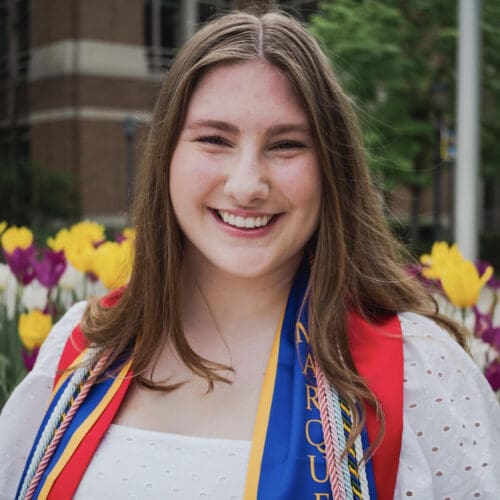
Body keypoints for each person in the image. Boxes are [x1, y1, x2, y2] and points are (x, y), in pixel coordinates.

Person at [1, 9, 499, 500]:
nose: (246, 185)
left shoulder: (416, 370)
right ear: (167, 157)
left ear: (332, 168)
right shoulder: (79, 348)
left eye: (285, 146)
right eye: (214, 140)